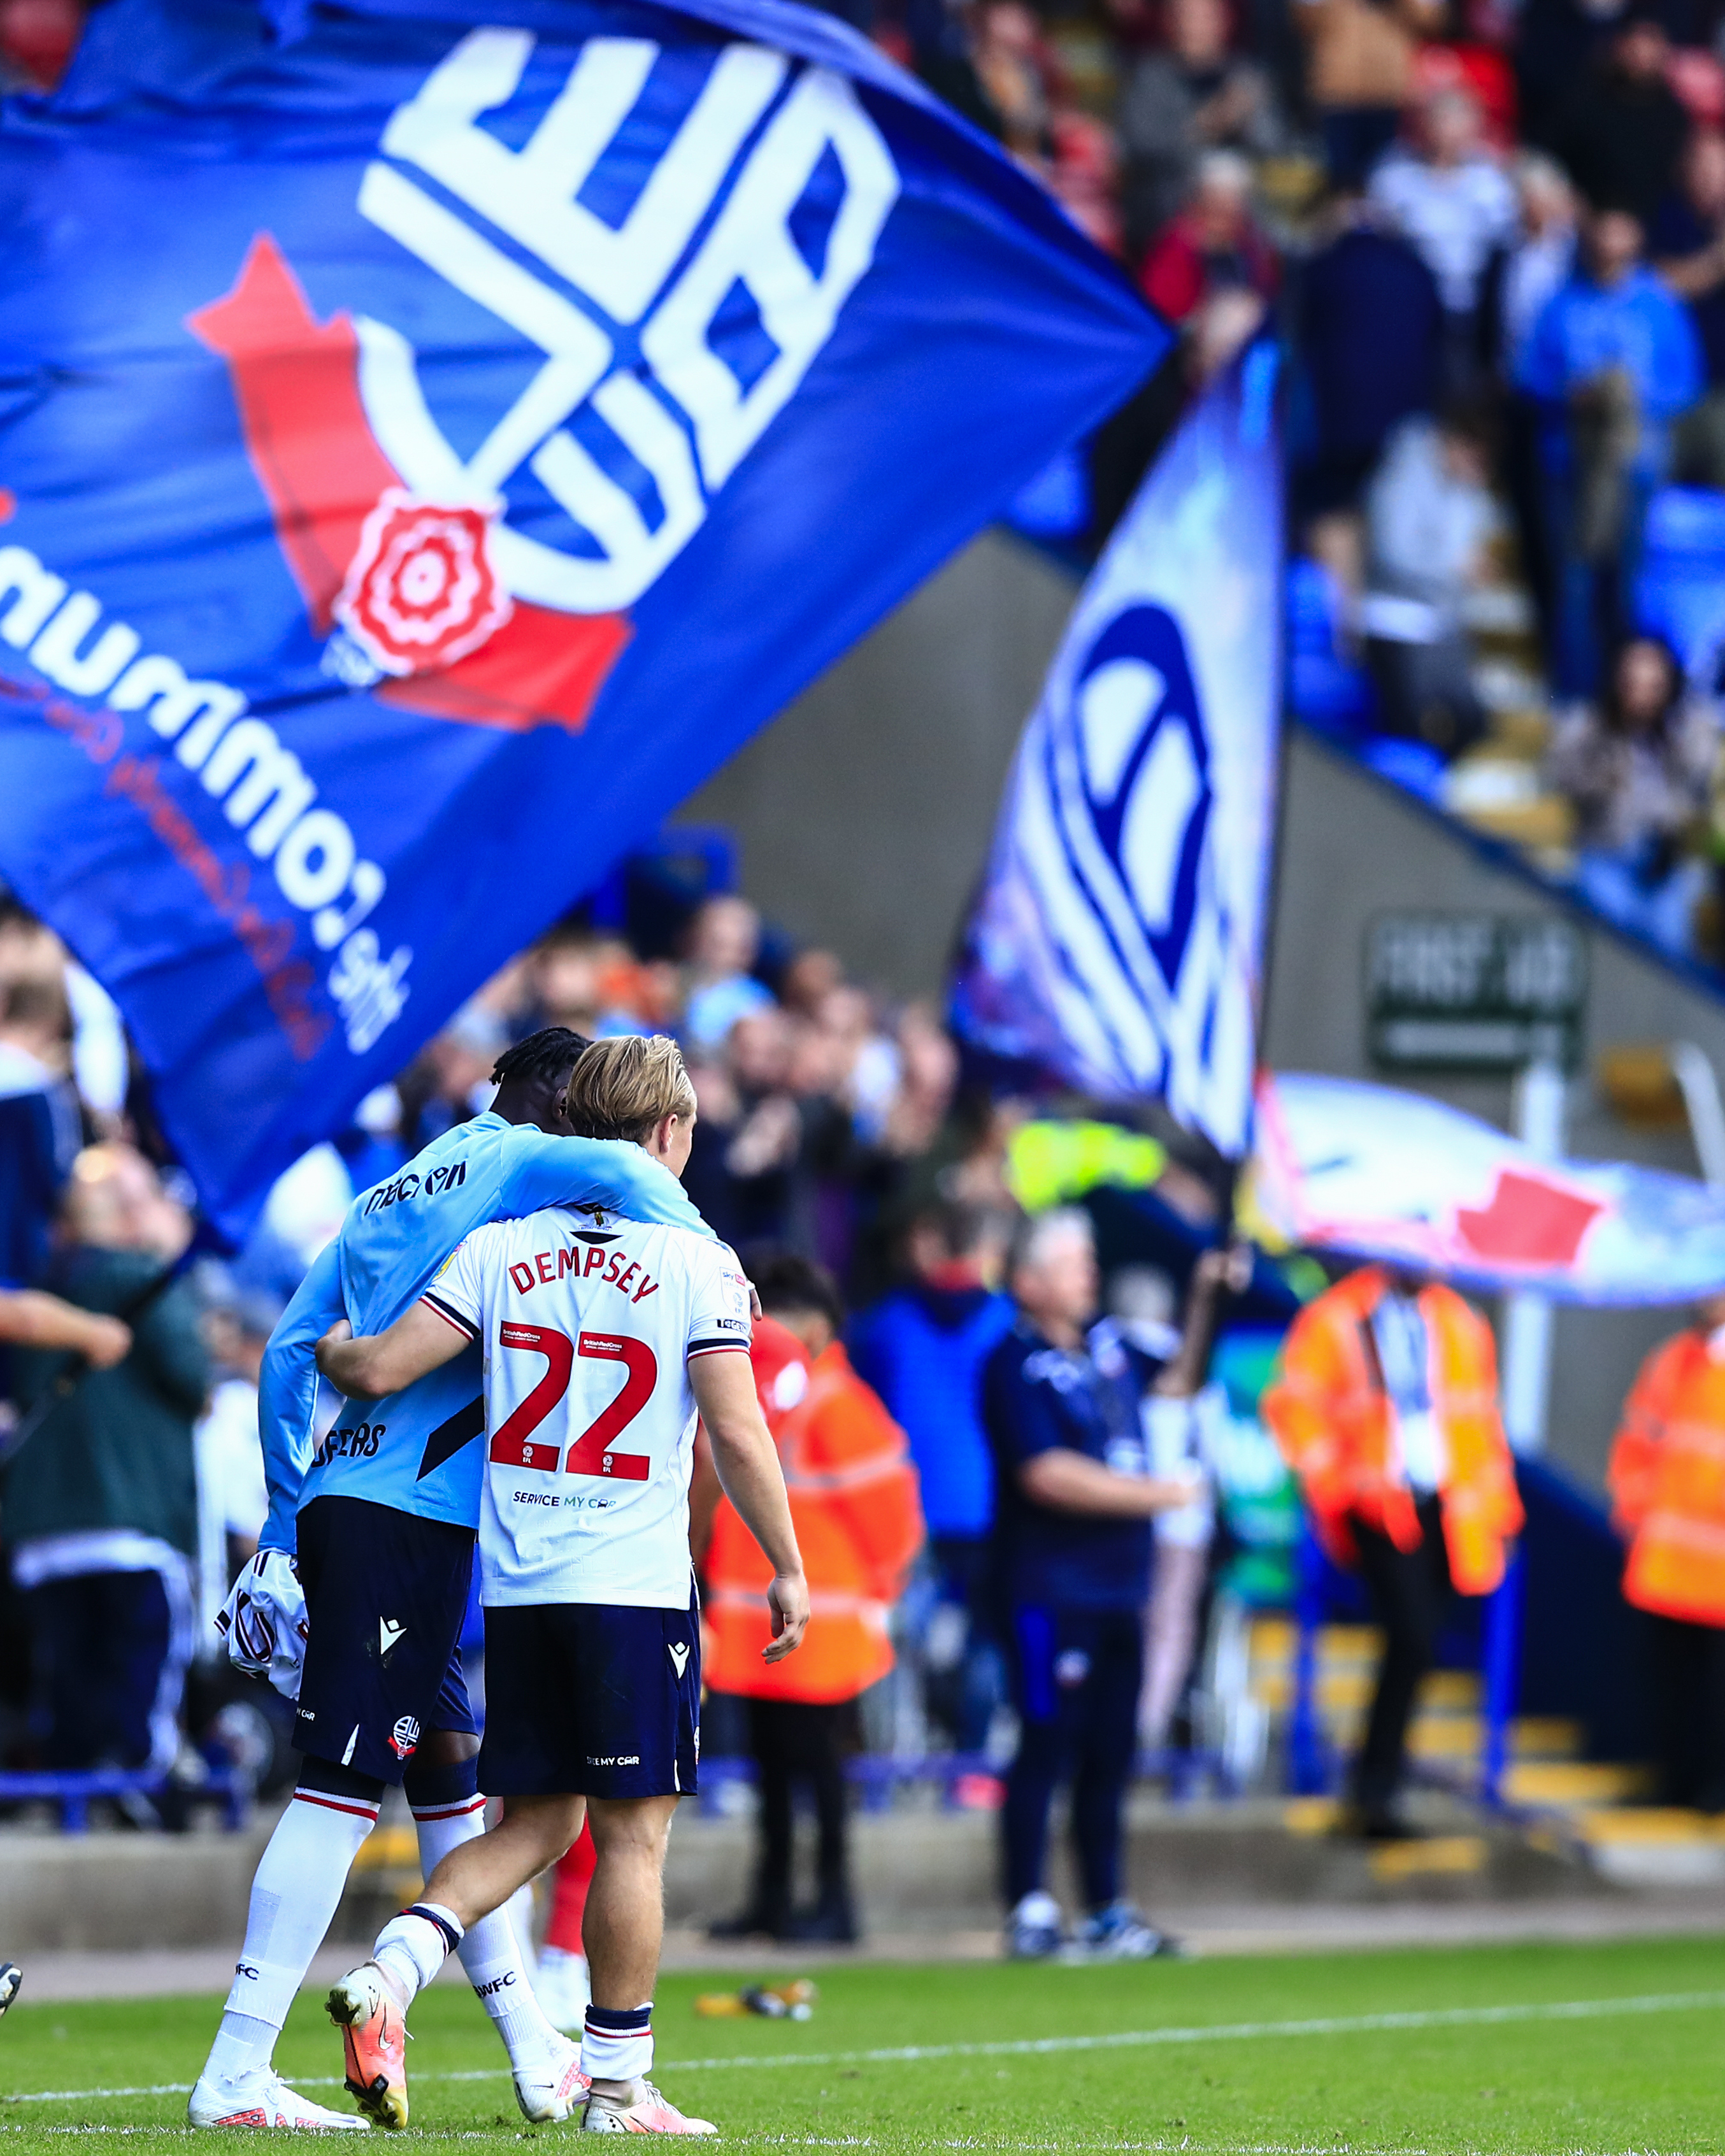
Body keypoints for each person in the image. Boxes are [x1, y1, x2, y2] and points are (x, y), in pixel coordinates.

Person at [189, 1027, 716, 2134]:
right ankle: (236, 2073)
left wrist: (285, 1526)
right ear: (553, 1096)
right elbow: (631, 1172)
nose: (590, 1127)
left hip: (345, 1497)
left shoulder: (392, 1190)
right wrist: (717, 1269)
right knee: (339, 1786)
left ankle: (537, 2054)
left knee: (451, 1791)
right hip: (409, 1520)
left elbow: (291, 1348)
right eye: (581, 1100)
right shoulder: (523, 1163)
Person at [315, 1033, 810, 2136]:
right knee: (632, 1840)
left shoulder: (499, 1247)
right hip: (631, 1588)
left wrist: (325, 1344)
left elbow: (382, 1365)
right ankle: (619, 2089)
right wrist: (785, 1566)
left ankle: (391, 1973)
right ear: (670, 1134)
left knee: (536, 1822)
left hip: (523, 1588)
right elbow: (735, 1430)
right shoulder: (697, 1260)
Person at [982, 1208, 1202, 1960]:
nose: (1089, 1272)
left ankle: (1108, 1906)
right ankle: (1029, 1905)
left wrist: (1206, 1296)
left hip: (1119, 1590)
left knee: (1111, 1751)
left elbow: (1179, 1378)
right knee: (1044, 1743)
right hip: (1050, 1590)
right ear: (1027, 1280)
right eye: (1073, 1260)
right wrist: (1156, 1495)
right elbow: (1046, 1474)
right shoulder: (1011, 1363)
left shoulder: (1111, 1348)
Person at [1263, 1261, 1522, 1839]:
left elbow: (1482, 1420)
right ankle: (1373, 1788)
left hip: (1449, 1508)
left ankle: (1378, 1784)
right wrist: (1337, 1482)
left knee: (1420, 1644)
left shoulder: (1460, 1320)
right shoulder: (1338, 1317)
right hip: (1378, 1502)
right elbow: (1294, 1406)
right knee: (1411, 1634)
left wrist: (1499, 1506)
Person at [704, 1260, 924, 1943]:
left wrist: (876, 1595)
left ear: (816, 1327)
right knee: (776, 1769)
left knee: (818, 1770)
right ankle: (776, 1900)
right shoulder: (788, 1399)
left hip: (820, 1628)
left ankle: (833, 1901)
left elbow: (892, 1522)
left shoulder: (836, 1403)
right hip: (773, 1625)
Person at [5, 1146, 206, 1792]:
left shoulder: (36, 1276)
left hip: (41, 1527)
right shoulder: (143, 1276)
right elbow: (193, 1377)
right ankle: (134, 1796)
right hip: (130, 1519)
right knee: (136, 1678)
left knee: (67, 1680)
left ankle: (74, 1799)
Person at [851, 1201, 1015, 1757]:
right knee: (981, 1636)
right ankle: (972, 1756)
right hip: (986, 1505)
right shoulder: (1007, 1322)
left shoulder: (886, 1323)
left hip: (905, 1506)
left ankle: (904, 1752)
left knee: (906, 1637)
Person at [1518, 204, 1703, 697]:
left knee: (1626, 583)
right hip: (1570, 463)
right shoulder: (1562, 302)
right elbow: (1529, 372)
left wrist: (1635, 397)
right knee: (1573, 584)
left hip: (1634, 465)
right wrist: (1573, 392)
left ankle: (1625, 697)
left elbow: (1684, 381)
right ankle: (1575, 694)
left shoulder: (1658, 304)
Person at [1608, 1294, 1725, 1808]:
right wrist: (1634, 1514)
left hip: (1714, 1562)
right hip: (1668, 1557)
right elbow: (1638, 1443)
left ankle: (1712, 1786)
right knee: (1671, 1679)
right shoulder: (1671, 1359)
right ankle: (1675, 1782)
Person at [1545, 633, 1717, 952]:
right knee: (1611, 936)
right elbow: (1561, 776)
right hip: (1607, 854)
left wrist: (1674, 725)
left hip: (1666, 862)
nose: (1642, 693)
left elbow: (1701, 776)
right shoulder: (1589, 724)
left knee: (1670, 937)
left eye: (1653, 684)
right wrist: (1604, 765)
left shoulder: (1686, 727)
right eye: (1632, 682)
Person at [1294, 185, 1445, 511]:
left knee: (1337, 511)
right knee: (1396, 507)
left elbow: (1301, 334)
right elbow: (1438, 334)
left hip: (1339, 421)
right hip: (1407, 419)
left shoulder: (1324, 269)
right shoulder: (1416, 268)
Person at [1360, 403, 1496, 757]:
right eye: (1472, 456)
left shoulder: (1467, 491)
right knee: (1408, 724)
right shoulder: (1402, 474)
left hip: (1441, 626)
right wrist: (1453, 569)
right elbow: (1392, 553)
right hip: (1394, 621)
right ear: (1452, 443)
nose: (1475, 468)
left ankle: (1430, 782)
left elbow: (1468, 544)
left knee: (1474, 722)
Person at [1368, 87, 1517, 389]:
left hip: (1469, 313)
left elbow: (1503, 252)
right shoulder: (1393, 179)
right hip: (1405, 312)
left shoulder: (1491, 183)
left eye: (1457, 125)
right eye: (1439, 123)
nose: (1446, 135)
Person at [1118, 0, 1284, 255]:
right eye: (1184, 18)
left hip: (1240, 210)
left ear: (1224, 23)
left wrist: (1246, 120)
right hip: (1173, 206)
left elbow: (1272, 144)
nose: (1193, 28)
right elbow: (1138, 145)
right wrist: (1206, 123)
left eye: (1204, 18)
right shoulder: (1150, 76)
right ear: (1169, 24)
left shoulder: (1244, 75)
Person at [1550, 12, 1692, 229]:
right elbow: (1554, 154)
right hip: (1578, 217)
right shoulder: (1586, 100)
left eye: (1649, 42)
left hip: (1645, 228)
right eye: (1633, 42)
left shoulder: (1674, 116)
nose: (1640, 53)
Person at [1651, 127, 1725, 484]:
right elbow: (1658, 286)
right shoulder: (1665, 218)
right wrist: (1717, 259)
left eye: (1716, 166)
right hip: (1669, 390)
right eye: (1700, 165)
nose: (1708, 175)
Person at [1139, 150, 1281, 325]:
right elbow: (1162, 306)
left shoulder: (1252, 242)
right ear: (1200, 199)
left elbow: (1269, 290)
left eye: (1234, 199)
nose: (1227, 208)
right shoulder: (1178, 245)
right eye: (1218, 199)